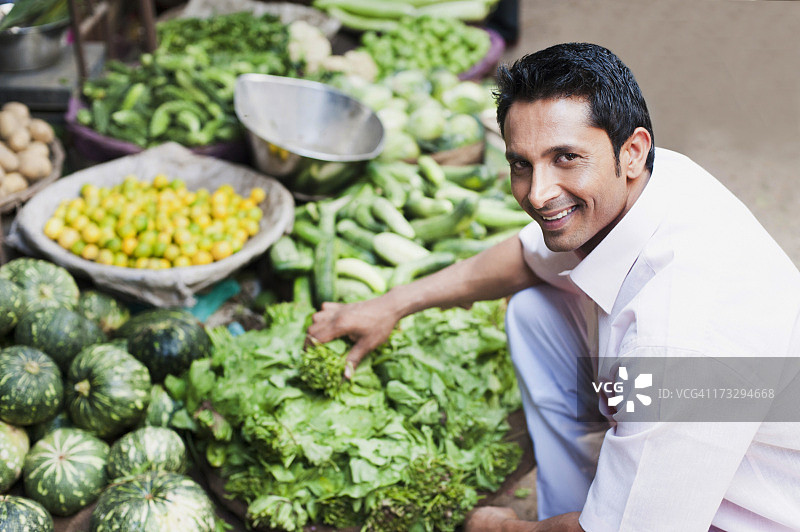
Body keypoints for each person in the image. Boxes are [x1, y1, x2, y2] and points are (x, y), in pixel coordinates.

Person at [307, 43, 800, 531]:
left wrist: (496, 526)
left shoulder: (676, 344)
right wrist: (391, 305)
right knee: (535, 313)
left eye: (565, 157)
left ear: (632, 151)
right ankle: (574, 500)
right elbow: (527, 257)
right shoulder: (657, 178)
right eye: (521, 164)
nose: (538, 194)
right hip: (711, 420)